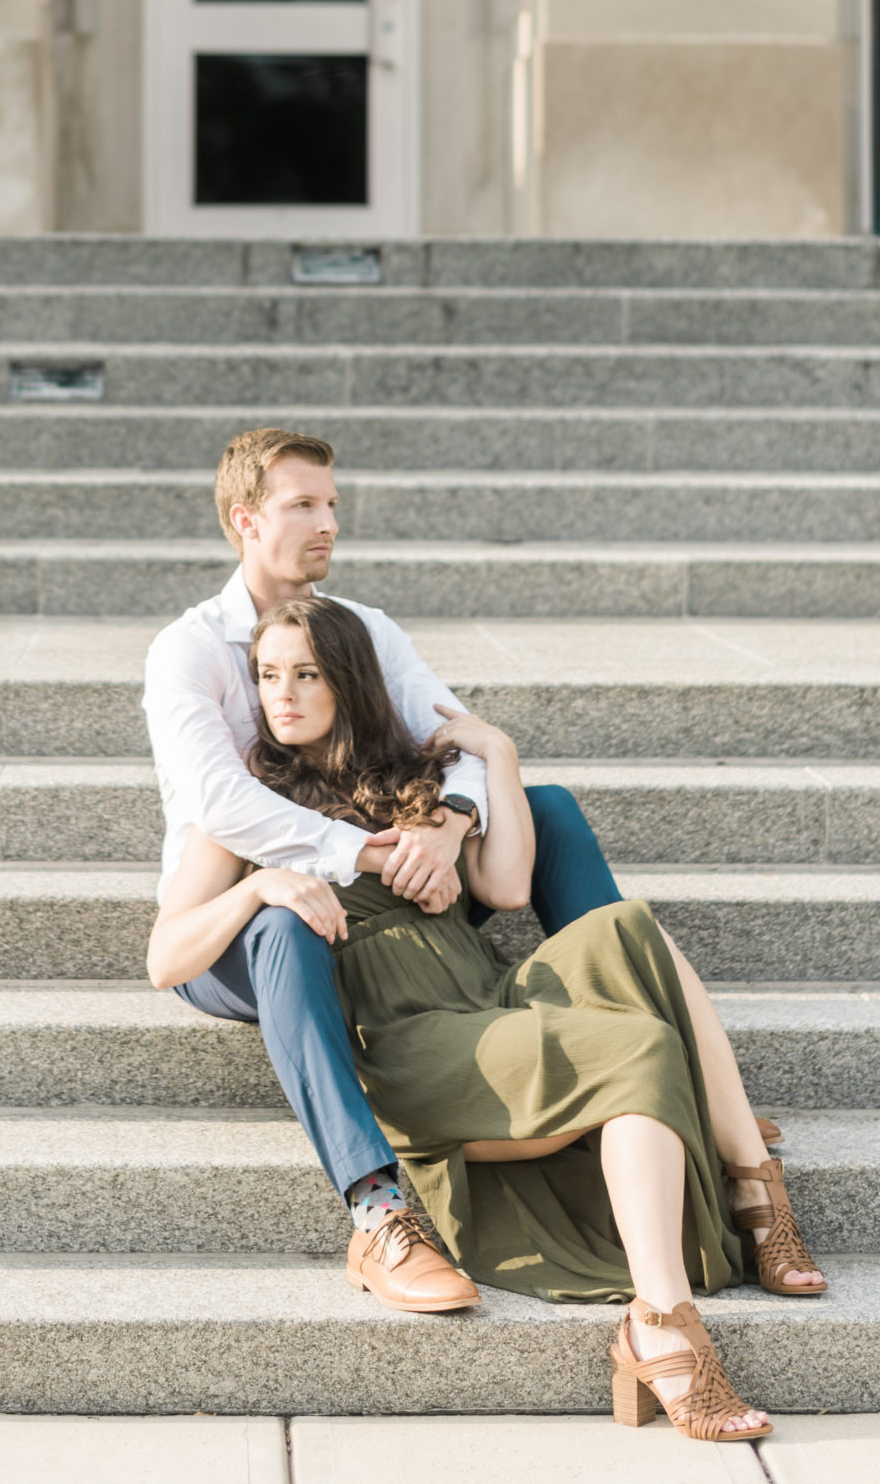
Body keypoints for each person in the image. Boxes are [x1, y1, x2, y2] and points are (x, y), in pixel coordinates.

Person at [148, 594, 829, 1446]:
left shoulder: (406, 787)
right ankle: (664, 1325)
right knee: (637, 1049)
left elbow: (507, 888)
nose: (278, 695)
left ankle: (746, 1184)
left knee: (628, 929)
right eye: (267, 676)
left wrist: (496, 754)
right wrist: (255, 887)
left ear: (349, 683)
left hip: (485, 996)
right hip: (412, 1040)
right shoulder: (249, 807)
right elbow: (164, 957)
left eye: (306, 675)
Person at [141, 426, 625, 1315]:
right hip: (236, 923)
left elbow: (454, 736)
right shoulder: (189, 649)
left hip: (388, 896)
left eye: (331, 504)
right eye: (302, 505)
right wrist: (366, 853)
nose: (327, 522)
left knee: (544, 808)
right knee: (283, 920)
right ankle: (379, 1212)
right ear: (245, 520)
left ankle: (631, 1047)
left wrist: (447, 827)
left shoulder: (361, 628)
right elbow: (222, 801)